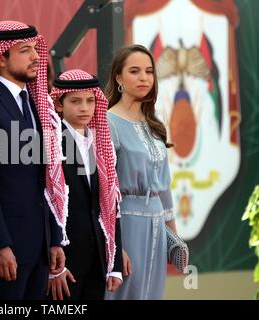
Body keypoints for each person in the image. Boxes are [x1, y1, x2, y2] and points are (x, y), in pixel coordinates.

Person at [0, 20, 65, 300]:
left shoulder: (37, 102)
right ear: (1, 58)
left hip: (39, 247)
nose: (37, 57)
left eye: (35, 49)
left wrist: (54, 239)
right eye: (25, 50)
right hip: (10, 249)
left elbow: (48, 179)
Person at [104, 44, 177, 300]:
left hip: (157, 224)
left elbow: (164, 188)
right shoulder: (108, 121)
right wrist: (115, 245)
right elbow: (104, 189)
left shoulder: (154, 124)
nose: (144, 78)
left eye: (149, 71)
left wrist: (174, 239)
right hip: (127, 223)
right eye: (134, 71)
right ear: (119, 77)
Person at [47, 69, 123, 300]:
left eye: (90, 101)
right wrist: (52, 267)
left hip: (97, 260)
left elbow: (111, 205)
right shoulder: (51, 142)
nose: (84, 108)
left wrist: (114, 263)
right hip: (64, 261)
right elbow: (46, 202)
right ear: (59, 105)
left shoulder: (101, 143)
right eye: (76, 101)